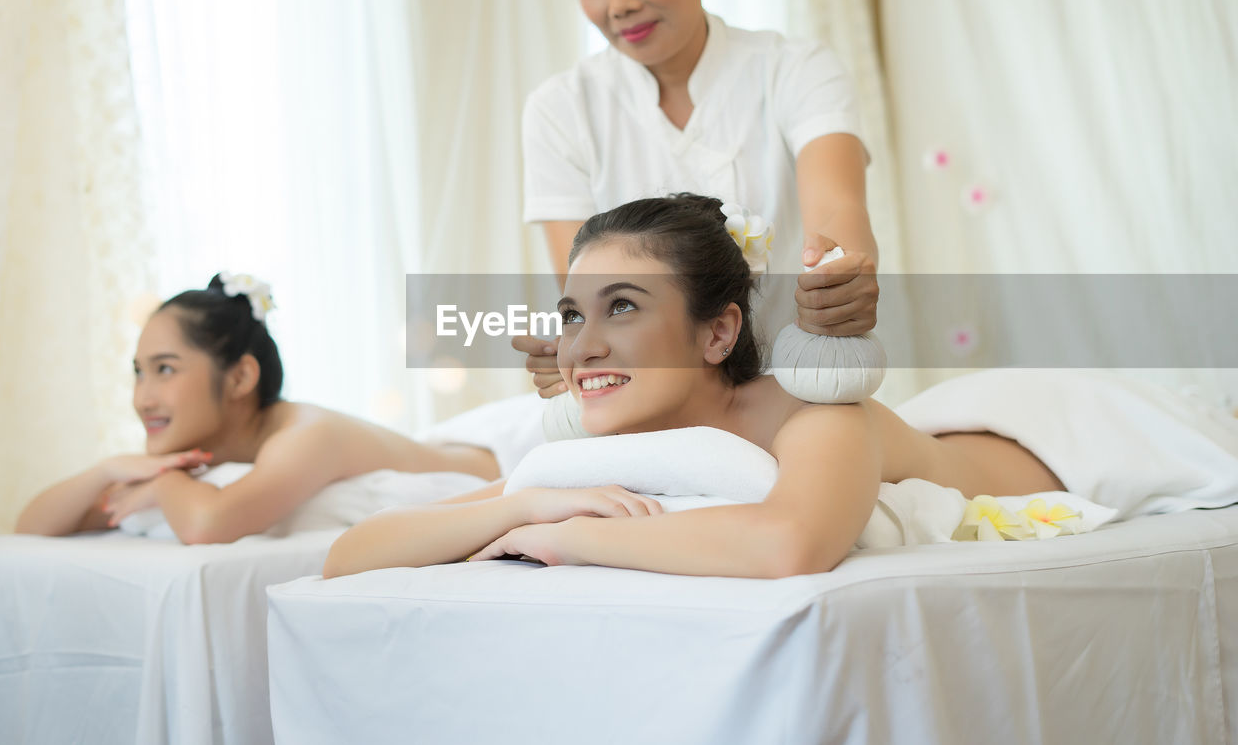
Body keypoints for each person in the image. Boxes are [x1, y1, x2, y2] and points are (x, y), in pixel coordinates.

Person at [322, 195, 1080, 580]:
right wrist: (521, 503)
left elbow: (789, 544)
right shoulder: (601, 432)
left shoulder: (817, 417)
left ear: (718, 332)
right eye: (571, 314)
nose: (582, 346)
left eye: (622, 305)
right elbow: (351, 554)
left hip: (1042, 440)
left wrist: (562, 537)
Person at [515, 0, 880, 399]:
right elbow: (587, 293)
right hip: (652, 406)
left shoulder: (795, 70)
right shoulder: (559, 110)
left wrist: (841, 277)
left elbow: (838, 207)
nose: (618, 3)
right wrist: (573, 345)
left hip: (792, 394)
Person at [15, 274, 499, 543]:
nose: (143, 397)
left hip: (499, 467)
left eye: (165, 370)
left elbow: (209, 524)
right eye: (138, 372)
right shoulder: (197, 455)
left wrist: (161, 480)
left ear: (242, 377)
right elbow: (31, 527)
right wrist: (106, 471)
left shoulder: (307, 434)